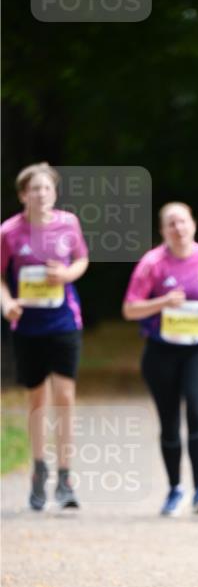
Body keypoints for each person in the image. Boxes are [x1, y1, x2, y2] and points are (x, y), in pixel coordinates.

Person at [122, 202, 198, 516]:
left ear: (193, 225)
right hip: (161, 352)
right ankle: (174, 489)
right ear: (163, 230)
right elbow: (130, 309)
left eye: (183, 221)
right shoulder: (152, 263)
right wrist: (162, 302)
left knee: (197, 412)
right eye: (171, 223)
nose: (178, 228)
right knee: (169, 421)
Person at [1, 162, 89, 510]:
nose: (42, 194)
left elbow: (82, 259)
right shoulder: (9, 231)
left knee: (65, 396)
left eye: (47, 188)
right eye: (34, 189)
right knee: (37, 400)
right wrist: (7, 303)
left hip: (65, 321)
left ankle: (65, 477)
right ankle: (39, 472)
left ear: (54, 193)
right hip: (27, 325)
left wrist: (67, 274)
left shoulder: (68, 224)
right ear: (23, 194)